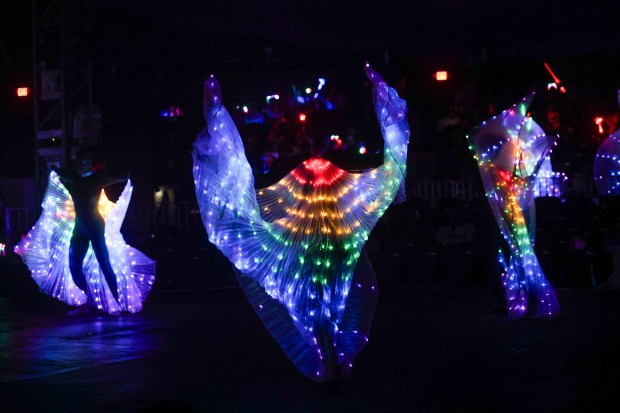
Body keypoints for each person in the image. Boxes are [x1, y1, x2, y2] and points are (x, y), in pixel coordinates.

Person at [15, 146, 156, 316]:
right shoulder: (74, 178)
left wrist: (131, 172)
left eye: (83, 163)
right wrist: (52, 168)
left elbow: (122, 177)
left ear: (90, 164)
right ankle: (88, 302)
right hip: (80, 228)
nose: (79, 166)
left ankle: (119, 304)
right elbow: (59, 171)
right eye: (77, 163)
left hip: (95, 227)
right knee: (74, 266)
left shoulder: (99, 179)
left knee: (106, 266)